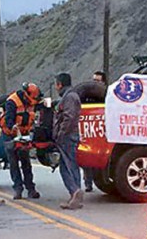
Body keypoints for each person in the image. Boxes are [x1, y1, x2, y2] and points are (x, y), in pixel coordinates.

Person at [1, 82, 42, 200]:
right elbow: (9, 119)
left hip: (23, 134)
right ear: (26, 95)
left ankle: (31, 188)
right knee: (13, 162)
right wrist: (12, 127)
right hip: (10, 134)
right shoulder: (12, 102)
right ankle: (17, 189)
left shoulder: (32, 101)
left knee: (25, 162)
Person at [54, 73, 83, 210]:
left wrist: (61, 133)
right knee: (66, 166)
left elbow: (69, 118)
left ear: (60, 84)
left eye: (56, 84)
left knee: (69, 166)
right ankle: (74, 195)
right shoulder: (70, 96)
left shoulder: (70, 97)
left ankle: (75, 192)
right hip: (68, 135)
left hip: (68, 136)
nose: (55, 87)